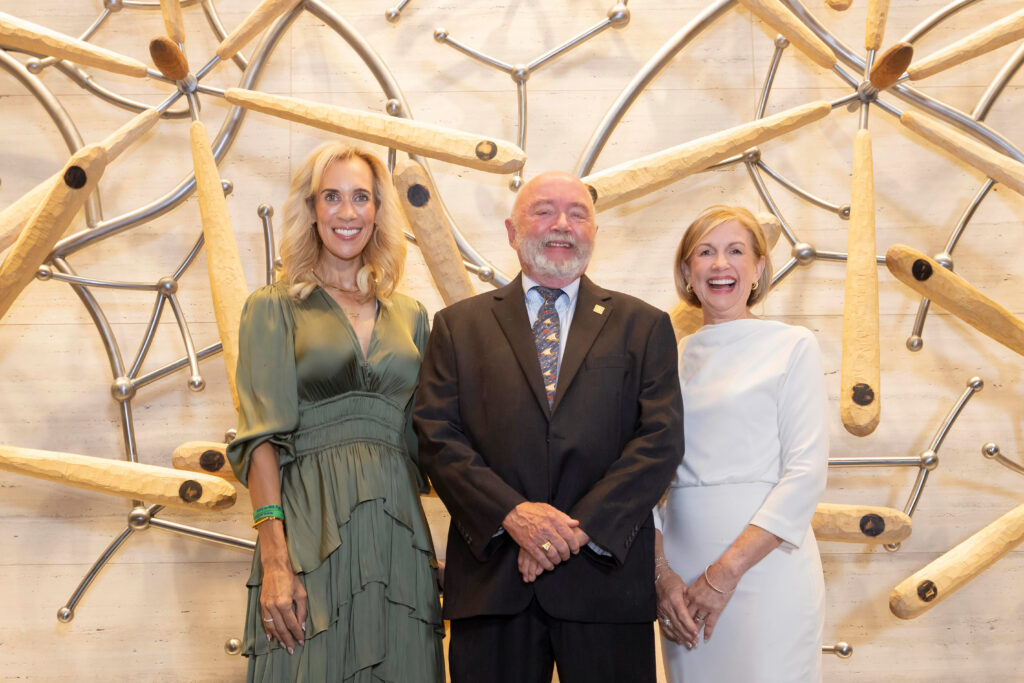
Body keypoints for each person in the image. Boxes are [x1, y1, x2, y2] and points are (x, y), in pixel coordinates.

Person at [414, 170, 684, 683]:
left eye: (577, 213)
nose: (562, 224)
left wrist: (568, 533)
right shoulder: (457, 325)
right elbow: (436, 436)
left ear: (594, 233)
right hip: (494, 581)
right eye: (543, 211)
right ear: (513, 232)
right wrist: (514, 516)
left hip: (606, 584)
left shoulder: (643, 325)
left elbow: (660, 441)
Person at [226, 142, 444, 682]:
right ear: (312, 209)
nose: (347, 213)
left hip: (399, 541)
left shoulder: (413, 317)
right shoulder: (273, 306)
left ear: (378, 211)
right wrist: (275, 559)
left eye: (361, 198)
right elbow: (260, 442)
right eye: (332, 197)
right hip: (307, 537)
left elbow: (438, 447)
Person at [654, 205, 829, 682]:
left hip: (767, 568)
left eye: (735, 251)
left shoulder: (792, 345)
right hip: (682, 576)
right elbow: (641, 476)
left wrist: (725, 573)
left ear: (758, 269)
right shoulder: (666, 357)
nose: (719, 265)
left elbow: (806, 472)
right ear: (687, 272)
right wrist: (661, 575)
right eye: (705, 253)